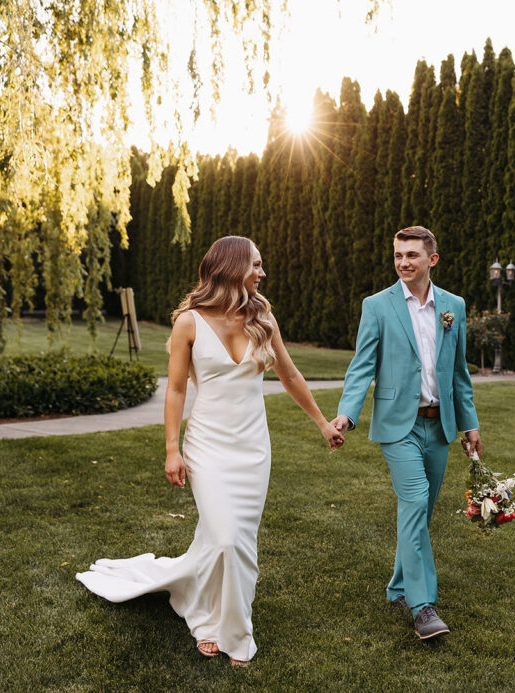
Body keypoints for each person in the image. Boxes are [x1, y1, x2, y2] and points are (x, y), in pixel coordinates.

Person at [77, 235, 343, 666]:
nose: (262, 272)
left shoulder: (263, 317)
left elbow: (290, 375)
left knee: (238, 541)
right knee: (223, 537)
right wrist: (171, 448)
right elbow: (177, 388)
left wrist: (321, 423)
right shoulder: (189, 322)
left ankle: (230, 626)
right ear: (232, 267)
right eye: (256, 264)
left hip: (253, 447)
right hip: (208, 445)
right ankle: (222, 628)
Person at [331, 225, 481, 640]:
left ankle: (398, 586)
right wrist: (346, 414)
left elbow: (459, 372)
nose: (402, 262)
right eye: (398, 255)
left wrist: (469, 423)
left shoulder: (454, 307)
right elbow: (362, 366)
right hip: (399, 424)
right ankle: (422, 605)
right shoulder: (377, 306)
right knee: (413, 500)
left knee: (422, 512)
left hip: (442, 425)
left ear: (432, 260)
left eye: (411, 255)